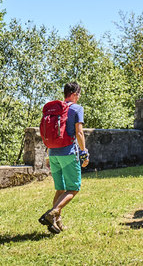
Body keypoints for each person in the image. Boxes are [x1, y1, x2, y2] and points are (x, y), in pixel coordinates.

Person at [38, 82, 89, 234]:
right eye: (78, 94)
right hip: (68, 153)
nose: (79, 98)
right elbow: (79, 133)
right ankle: (52, 213)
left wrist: (48, 155)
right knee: (73, 188)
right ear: (74, 94)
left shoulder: (55, 110)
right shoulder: (76, 109)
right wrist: (84, 152)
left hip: (53, 153)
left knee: (60, 189)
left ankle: (56, 223)